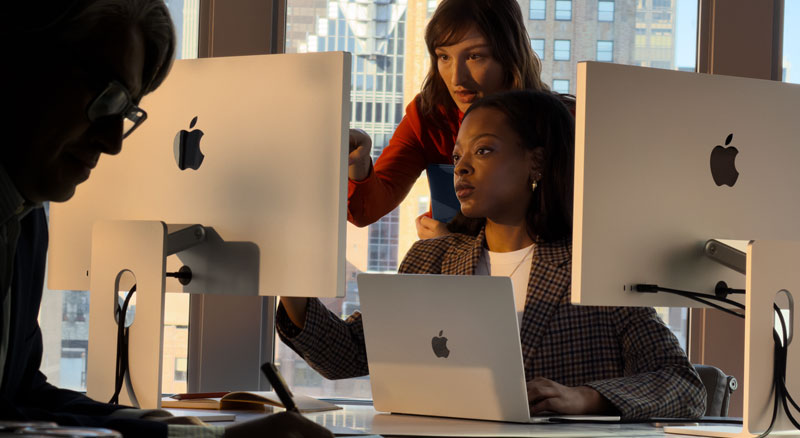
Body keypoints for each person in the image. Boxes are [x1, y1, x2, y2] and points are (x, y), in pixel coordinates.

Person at [0, 2, 332, 437]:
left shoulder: (25, 221)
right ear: (22, 60)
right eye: (107, 97)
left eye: (127, 112)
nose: (113, 143)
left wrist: (179, 430)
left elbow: (20, 396)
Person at [279, 90, 706, 419]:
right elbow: (346, 355)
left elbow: (683, 386)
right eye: (457, 155)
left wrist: (585, 398)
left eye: (483, 150)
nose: (461, 167)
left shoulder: (594, 266)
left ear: (536, 163)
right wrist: (289, 260)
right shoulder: (431, 261)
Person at [347, 0, 564, 240]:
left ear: (509, 55)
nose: (456, 78)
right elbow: (365, 211)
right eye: (444, 57)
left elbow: (577, 230)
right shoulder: (428, 116)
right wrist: (359, 167)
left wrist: (451, 247)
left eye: (474, 56)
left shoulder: (559, 122)